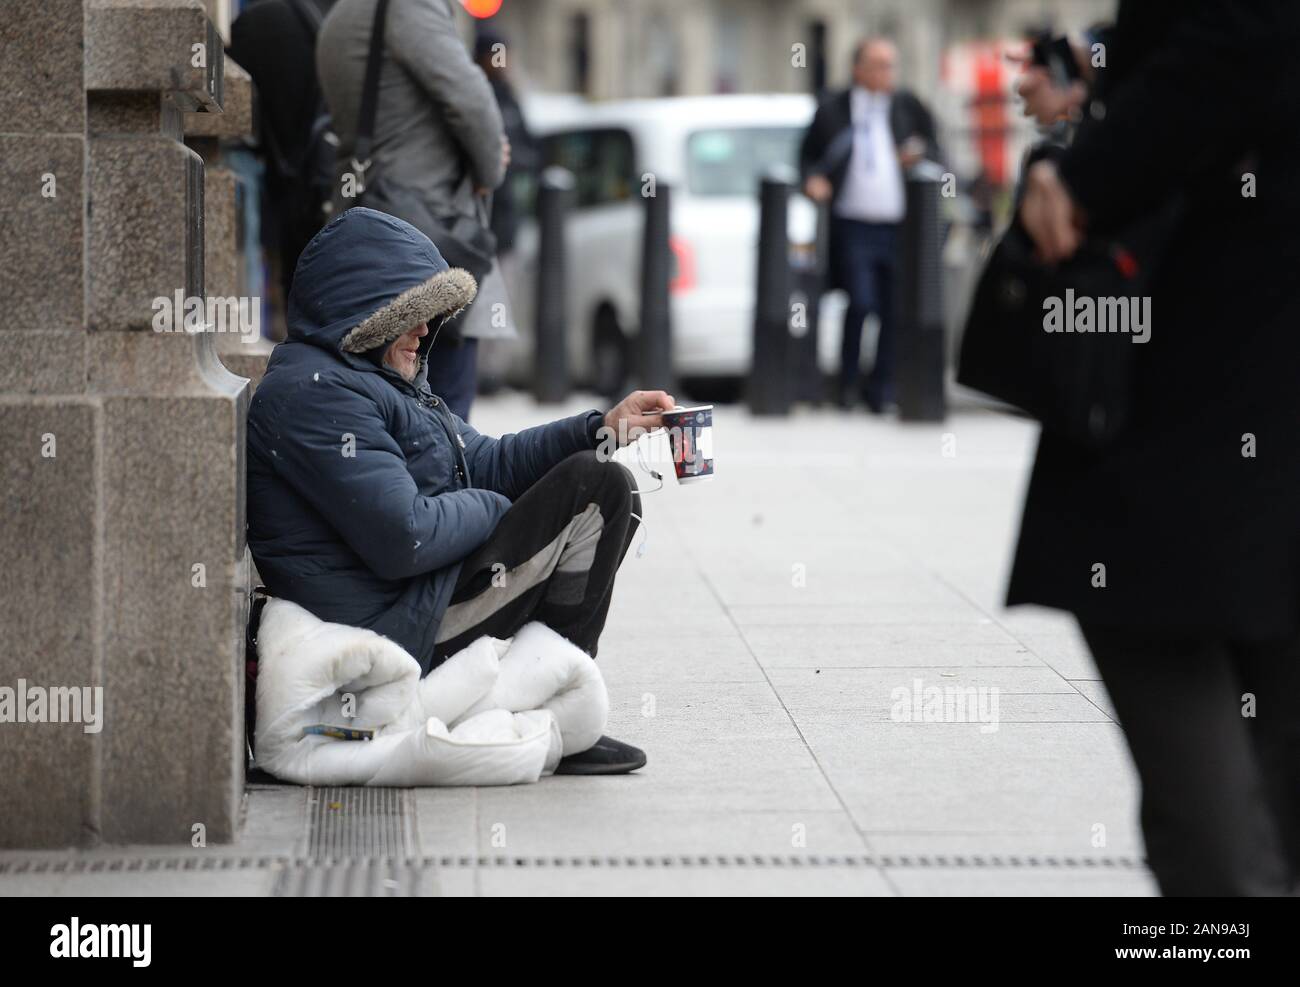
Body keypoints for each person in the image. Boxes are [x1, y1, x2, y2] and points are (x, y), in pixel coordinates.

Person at [1010, 0, 1300, 895]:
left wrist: (1092, 170)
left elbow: (1241, 38)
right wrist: (1100, 75)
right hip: (1202, 420)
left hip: (1206, 397)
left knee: (1220, 838)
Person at [246, 207, 675, 774]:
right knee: (597, 491)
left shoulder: (380, 380)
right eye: (412, 315)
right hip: (398, 624)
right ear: (368, 315)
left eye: (430, 315)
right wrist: (498, 508)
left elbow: (488, 460)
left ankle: (550, 696)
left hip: (422, 598)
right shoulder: (316, 396)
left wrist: (600, 428)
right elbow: (406, 537)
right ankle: (551, 707)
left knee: (604, 483)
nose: (426, 331)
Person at [316, 0, 508, 420]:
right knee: (446, 407)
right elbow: (472, 102)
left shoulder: (341, 16)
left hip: (364, 219)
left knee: (384, 399)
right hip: (430, 227)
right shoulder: (409, 5)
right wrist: (490, 171)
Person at [799, 37, 940, 412]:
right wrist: (814, 180)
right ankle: (846, 386)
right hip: (852, 224)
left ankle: (882, 390)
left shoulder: (906, 106)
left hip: (897, 226)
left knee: (894, 308)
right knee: (860, 301)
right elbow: (808, 158)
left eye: (891, 65)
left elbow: (935, 148)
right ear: (858, 68)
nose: (886, 73)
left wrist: (917, 157)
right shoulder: (833, 108)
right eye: (878, 65)